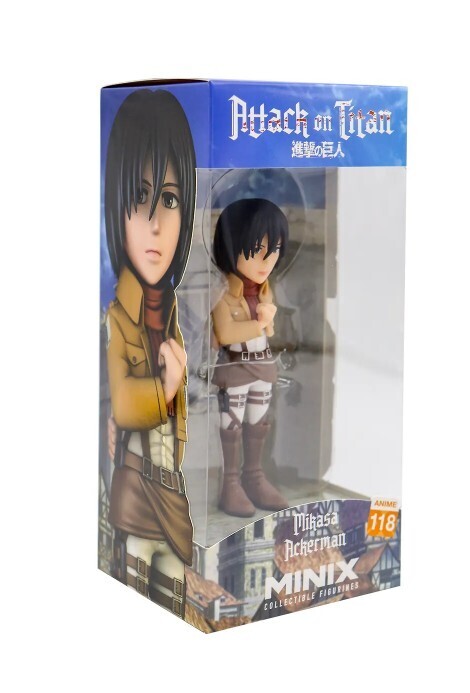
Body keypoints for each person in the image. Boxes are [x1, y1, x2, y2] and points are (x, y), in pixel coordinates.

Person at [104, 89, 196, 618]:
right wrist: (164, 389)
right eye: (140, 196)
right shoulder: (117, 318)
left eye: (170, 199)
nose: (157, 223)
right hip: (136, 490)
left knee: (176, 600)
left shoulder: (173, 316)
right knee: (132, 603)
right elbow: (121, 401)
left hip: (174, 496)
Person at [211, 198, 290, 517]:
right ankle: (230, 482)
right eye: (258, 250)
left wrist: (267, 321)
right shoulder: (222, 294)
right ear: (233, 247)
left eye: (275, 250)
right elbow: (226, 333)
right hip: (234, 367)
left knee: (258, 420)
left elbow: (270, 331)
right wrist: (260, 322)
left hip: (263, 364)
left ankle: (254, 476)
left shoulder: (265, 289)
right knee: (232, 422)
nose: (267, 261)